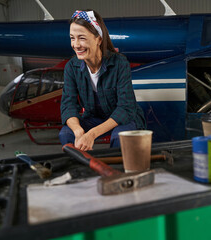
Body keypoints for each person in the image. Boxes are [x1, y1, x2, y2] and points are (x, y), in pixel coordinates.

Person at [59, 10, 146, 151]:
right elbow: (68, 105)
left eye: (81, 38)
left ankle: (116, 171)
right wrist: (78, 131)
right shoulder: (71, 67)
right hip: (94, 118)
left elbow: (125, 108)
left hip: (123, 119)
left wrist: (91, 134)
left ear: (98, 39)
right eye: (72, 38)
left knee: (120, 137)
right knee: (66, 134)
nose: (76, 45)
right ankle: (82, 169)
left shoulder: (119, 63)